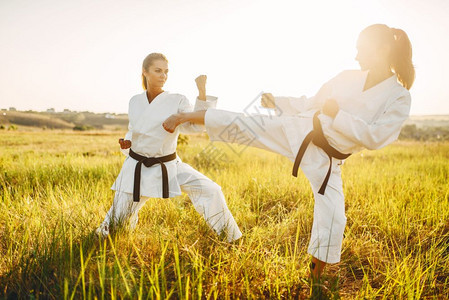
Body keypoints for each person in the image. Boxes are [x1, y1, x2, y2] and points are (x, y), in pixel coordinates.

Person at [161, 24, 414, 278]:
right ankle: (184, 116)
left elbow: (376, 136)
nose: (356, 56)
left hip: (328, 157)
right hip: (301, 129)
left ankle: (315, 278)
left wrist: (338, 115)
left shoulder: (398, 96)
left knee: (334, 215)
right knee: (246, 124)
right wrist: (277, 103)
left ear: (381, 50)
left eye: (361, 49)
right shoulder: (347, 77)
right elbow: (310, 103)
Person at [96, 53, 242, 243]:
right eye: (158, 71)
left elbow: (196, 126)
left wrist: (201, 91)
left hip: (169, 165)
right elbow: (134, 130)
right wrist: (127, 143)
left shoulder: (177, 99)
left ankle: (231, 239)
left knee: (210, 189)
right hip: (137, 167)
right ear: (145, 72)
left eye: (166, 72)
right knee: (114, 224)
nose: (163, 76)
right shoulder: (134, 101)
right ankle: (107, 241)